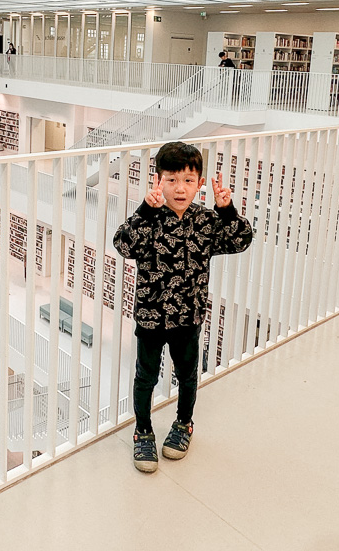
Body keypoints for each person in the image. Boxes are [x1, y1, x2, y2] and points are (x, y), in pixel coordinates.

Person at [113, 141, 253, 473]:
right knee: (145, 376)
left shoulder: (205, 221)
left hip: (189, 316)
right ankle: (143, 431)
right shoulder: (149, 219)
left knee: (188, 374)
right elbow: (123, 244)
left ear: (200, 184)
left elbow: (240, 240)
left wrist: (227, 209)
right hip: (150, 315)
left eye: (188, 180)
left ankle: (184, 424)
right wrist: (144, 209)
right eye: (172, 179)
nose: (180, 188)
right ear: (158, 180)